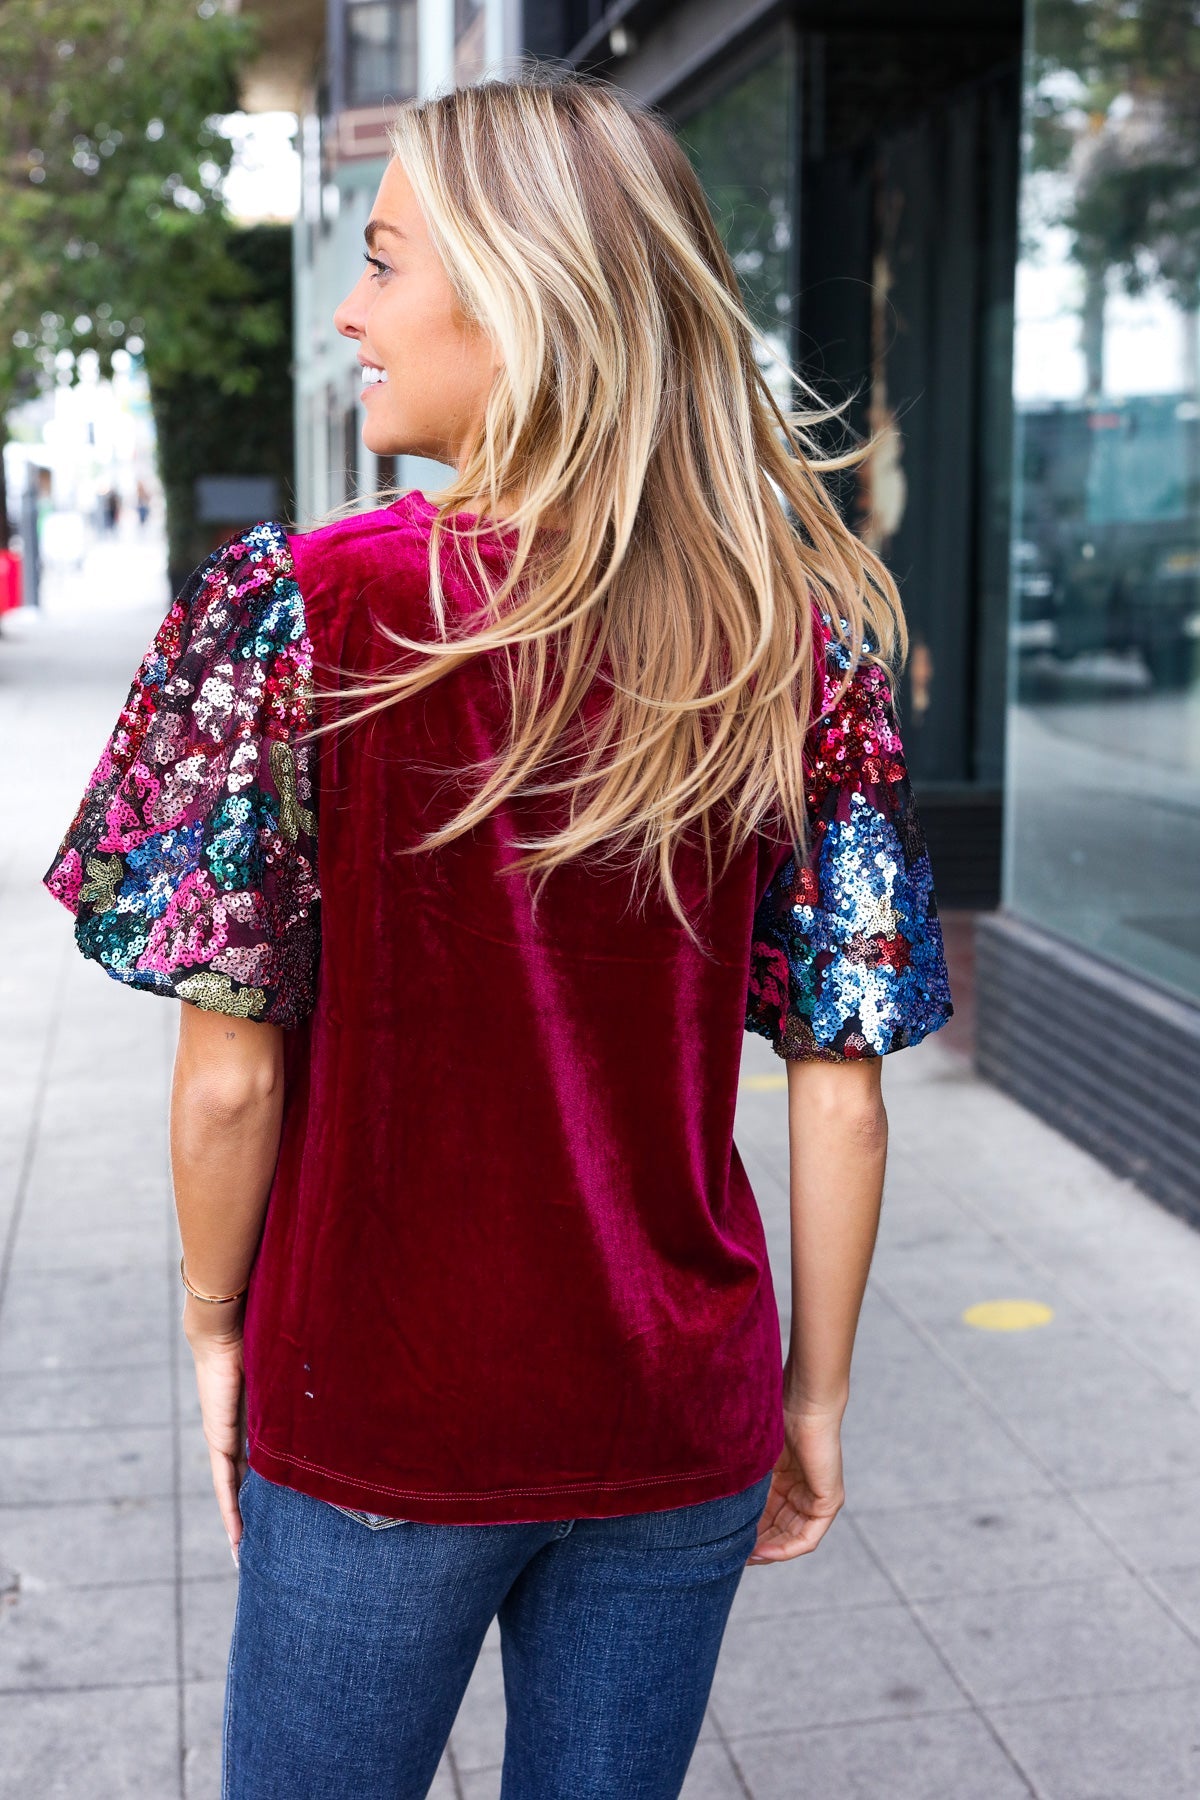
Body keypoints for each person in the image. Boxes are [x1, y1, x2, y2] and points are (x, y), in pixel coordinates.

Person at [44, 70, 953, 1800]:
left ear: (525, 300)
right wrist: (811, 1402)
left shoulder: (299, 613)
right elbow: (842, 1094)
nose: (351, 311)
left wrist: (219, 1326)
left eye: (387, 262)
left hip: (380, 1403)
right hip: (678, 1412)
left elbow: (231, 1080)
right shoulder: (795, 644)